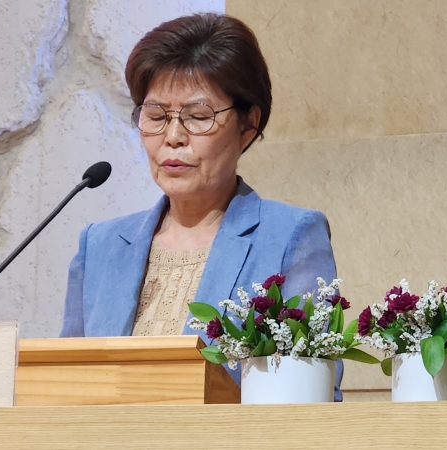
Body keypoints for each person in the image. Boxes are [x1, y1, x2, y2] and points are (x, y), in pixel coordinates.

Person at [60, 13, 343, 400]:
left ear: (248, 125)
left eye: (197, 117)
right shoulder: (100, 246)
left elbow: (311, 394)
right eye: (156, 116)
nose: (173, 137)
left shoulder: (290, 237)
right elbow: (65, 387)